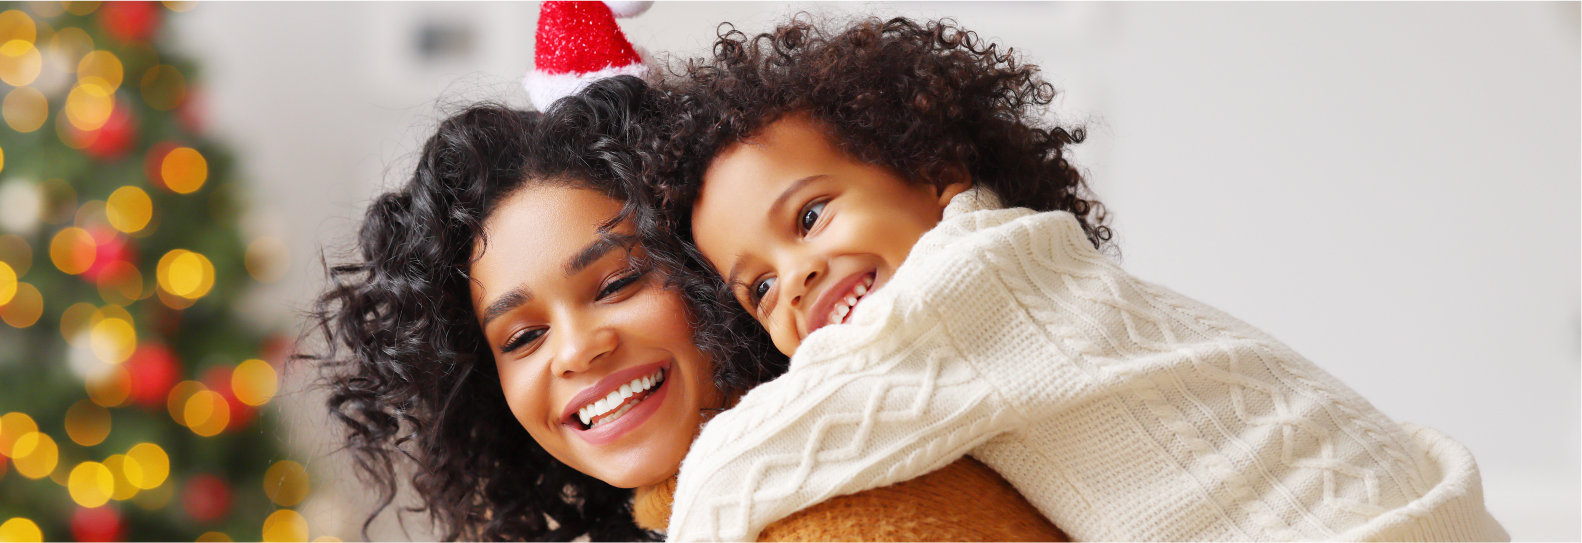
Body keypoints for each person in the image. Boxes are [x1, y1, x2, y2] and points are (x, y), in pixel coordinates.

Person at [635, 16, 1510, 542]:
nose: (796, 278)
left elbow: (746, 463)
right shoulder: (1033, 267)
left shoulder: (973, 282)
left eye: (811, 215)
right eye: (756, 290)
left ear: (930, 169)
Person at [310, 74, 1069, 541]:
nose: (576, 351)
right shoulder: (689, 510)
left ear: (710, 267)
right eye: (524, 335)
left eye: (616, 284)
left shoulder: (855, 504)